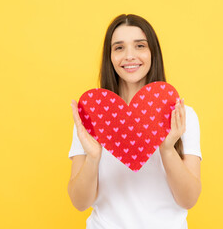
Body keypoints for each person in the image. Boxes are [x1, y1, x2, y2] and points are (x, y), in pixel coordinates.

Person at [68, 14, 202, 229]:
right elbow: (79, 202)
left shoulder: (182, 115)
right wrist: (93, 158)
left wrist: (167, 149)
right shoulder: (91, 117)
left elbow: (189, 200)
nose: (129, 56)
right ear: (109, 56)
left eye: (140, 46)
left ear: (152, 53)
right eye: (119, 48)